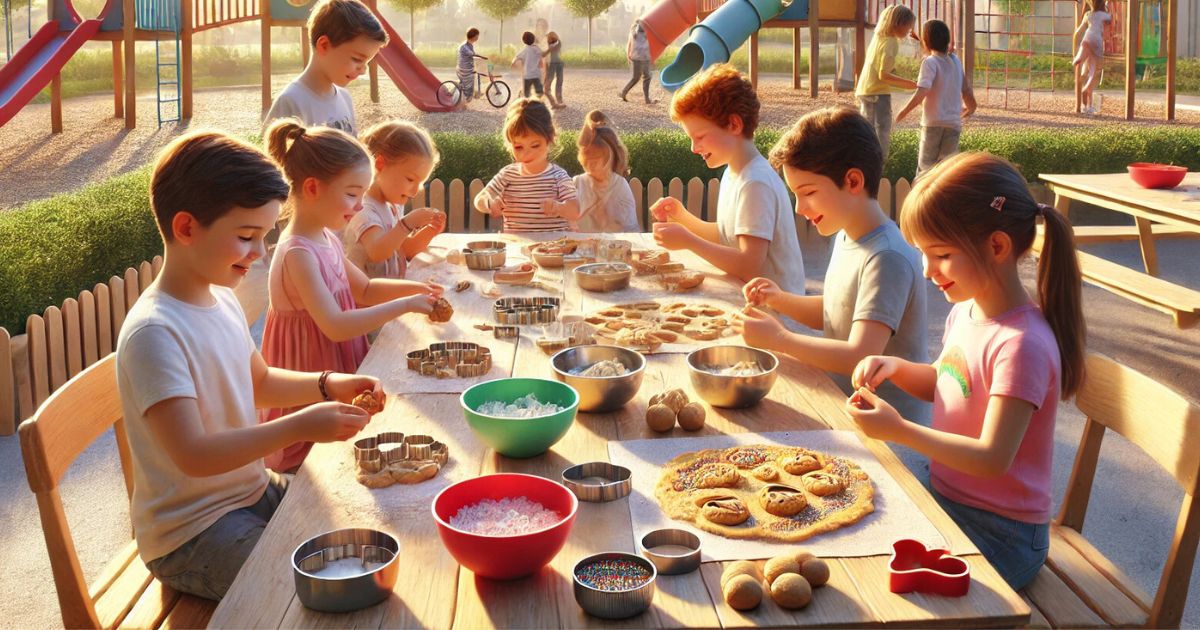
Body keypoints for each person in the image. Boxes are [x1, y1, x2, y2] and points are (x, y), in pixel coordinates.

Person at [116, 131, 379, 600]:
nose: (259, 253)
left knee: (360, 533)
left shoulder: (221, 298)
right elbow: (194, 454)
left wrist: (328, 384)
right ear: (186, 228)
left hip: (252, 491)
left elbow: (257, 381)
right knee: (299, 589)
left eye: (264, 236)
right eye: (245, 237)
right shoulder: (154, 332)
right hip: (191, 532)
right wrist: (301, 425)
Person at [846, 151, 1085, 590]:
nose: (927, 270)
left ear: (996, 247)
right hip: (948, 498)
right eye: (923, 254)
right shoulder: (968, 312)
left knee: (892, 589)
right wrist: (894, 367)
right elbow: (945, 382)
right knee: (853, 532)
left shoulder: (1021, 345)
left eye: (941, 254)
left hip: (1004, 532)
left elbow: (992, 458)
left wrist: (899, 430)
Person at [260, 119, 443, 472]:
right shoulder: (298, 252)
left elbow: (365, 289)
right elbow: (336, 326)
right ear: (313, 187)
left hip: (337, 366)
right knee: (317, 462)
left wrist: (417, 288)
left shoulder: (326, 238)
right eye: (352, 194)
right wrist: (404, 306)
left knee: (348, 450)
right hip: (309, 377)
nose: (360, 206)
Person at [735, 107, 928, 426]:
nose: (799, 208)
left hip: (892, 436)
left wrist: (779, 339)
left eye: (808, 193)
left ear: (853, 180)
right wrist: (779, 299)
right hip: (846, 412)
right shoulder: (847, 234)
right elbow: (839, 310)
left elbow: (858, 354)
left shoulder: (887, 256)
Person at [651, 64, 804, 293]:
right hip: (752, 300)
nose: (694, 148)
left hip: (778, 314)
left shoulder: (756, 183)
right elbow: (727, 236)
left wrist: (689, 241)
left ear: (734, 125)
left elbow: (749, 266)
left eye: (700, 136)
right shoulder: (734, 172)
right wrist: (682, 217)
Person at [262, 0, 386, 134]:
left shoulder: (345, 98)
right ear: (324, 45)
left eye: (367, 62)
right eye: (357, 59)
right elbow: (271, 152)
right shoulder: (291, 101)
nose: (363, 70)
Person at [344, 121, 445, 279]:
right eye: (410, 179)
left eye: (421, 183)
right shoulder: (362, 209)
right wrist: (407, 224)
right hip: (365, 302)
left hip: (388, 297)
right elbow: (377, 252)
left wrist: (431, 230)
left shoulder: (391, 205)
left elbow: (405, 249)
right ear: (380, 164)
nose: (417, 189)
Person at [473, 99, 579, 233]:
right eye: (518, 147)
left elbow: (575, 210)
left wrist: (559, 208)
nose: (526, 153)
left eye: (535, 145)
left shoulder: (558, 176)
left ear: (549, 139)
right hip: (516, 249)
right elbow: (479, 199)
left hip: (552, 250)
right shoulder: (507, 175)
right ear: (510, 145)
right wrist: (489, 203)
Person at [895, 19, 977, 178]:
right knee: (946, 171)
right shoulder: (956, 61)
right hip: (953, 124)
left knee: (925, 169)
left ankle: (920, 200)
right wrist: (971, 107)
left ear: (925, 41)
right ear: (947, 40)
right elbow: (966, 89)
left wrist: (903, 112)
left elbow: (922, 92)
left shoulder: (930, 62)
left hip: (932, 124)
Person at [559, 110, 639, 232]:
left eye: (596, 159)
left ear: (612, 158)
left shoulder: (620, 185)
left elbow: (630, 230)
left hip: (614, 247)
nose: (591, 164)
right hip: (581, 247)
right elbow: (565, 221)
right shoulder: (577, 183)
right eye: (587, 159)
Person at [855, 4, 918, 158]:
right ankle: (880, 164)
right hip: (878, 93)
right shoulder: (891, 43)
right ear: (899, 24)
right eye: (908, 27)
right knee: (882, 131)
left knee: (867, 131)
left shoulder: (879, 37)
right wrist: (910, 84)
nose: (909, 31)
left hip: (866, 89)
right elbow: (884, 75)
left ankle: (864, 161)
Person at [1073, 0, 1111, 115]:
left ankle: (1088, 107)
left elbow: (1078, 32)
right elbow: (1110, 21)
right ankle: (1087, 93)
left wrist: (1075, 46)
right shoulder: (1104, 15)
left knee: (1085, 69)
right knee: (1094, 73)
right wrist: (1109, 8)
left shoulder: (1087, 15)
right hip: (1097, 42)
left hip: (1087, 38)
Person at [621, 19, 657, 104]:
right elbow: (652, 45)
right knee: (647, 77)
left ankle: (624, 92)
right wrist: (653, 57)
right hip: (645, 58)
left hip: (635, 58)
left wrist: (628, 56)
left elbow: (628, 45)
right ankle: (647, 99)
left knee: (635, 78)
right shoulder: (647, 32)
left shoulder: (632, 33)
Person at [456, 27, 486, 104]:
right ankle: (468, 95)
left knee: (477, 75)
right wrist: (482, 57)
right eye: (477, 36)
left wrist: (480, 59)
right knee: (471, 80)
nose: (478, 38)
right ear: (474, 36)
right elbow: (472, 54)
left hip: (468, 67)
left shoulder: (470, 45)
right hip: (464, 69)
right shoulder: (464, 46)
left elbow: (472, 56)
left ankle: (474, 93)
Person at [511, 31, 544, 98]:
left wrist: (513, 63)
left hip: (527, 75)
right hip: (536, 74)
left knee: (527, 94)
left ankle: (526, 102)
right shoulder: (537, 48)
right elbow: (542, 55)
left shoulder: (525, 50)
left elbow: (517, 57)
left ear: (524, 41)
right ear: (533, 39)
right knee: (539, 93)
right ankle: (537, 104)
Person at [543, 31, 565, 109]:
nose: (548, 39)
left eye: (549, 37)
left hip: (556, 64)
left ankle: (559, 100)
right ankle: (555, 100)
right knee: (551, 81)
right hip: (553, 64)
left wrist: (549, 49)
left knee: (558, 81)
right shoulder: (551, 44)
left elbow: (546, 53)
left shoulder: (557, 43)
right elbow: (545, 54)